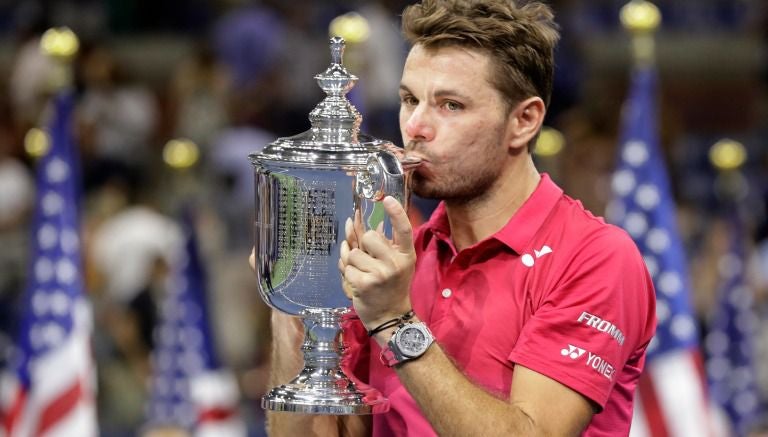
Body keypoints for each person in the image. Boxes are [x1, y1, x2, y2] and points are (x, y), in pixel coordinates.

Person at [251, 0, 656, 435]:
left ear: (524, 121)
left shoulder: (595, 258)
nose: (416, 126)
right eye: (410, 99)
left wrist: (394, 322)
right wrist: (296, 296)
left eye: (450, 105)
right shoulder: (399, 257)